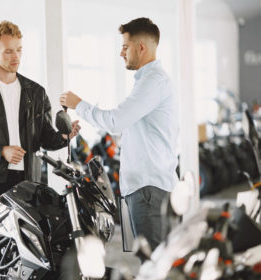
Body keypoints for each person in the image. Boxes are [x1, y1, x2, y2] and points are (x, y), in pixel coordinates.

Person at [60, 17, 178, 250]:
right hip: (145, 189)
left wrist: (79, 104)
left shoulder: (153, 81)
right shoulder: (148, 81)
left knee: (153, 264)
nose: (121, 53)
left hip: (149, 192)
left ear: (141, 47)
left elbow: (115, 120)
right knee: (151, 261)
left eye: (125, 47)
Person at [0, 20, 80, 216]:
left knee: (33, 243)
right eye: (8, 51)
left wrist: (64, 137)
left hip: (30, 181)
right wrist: (1, 151)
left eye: (19, 50)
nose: (16, 56)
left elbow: (45, 138)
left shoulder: (36, 92)